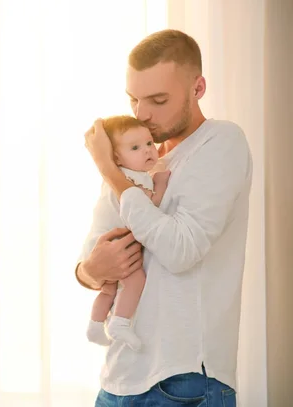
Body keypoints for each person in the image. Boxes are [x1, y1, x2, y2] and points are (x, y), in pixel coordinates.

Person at [76, 29, 252, 406]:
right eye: (134, 99)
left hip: (181, 380)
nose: (141, 114)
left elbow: (180, 251)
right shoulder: (137, 161)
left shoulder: (221, 143)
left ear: (198, 87)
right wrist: (93, 269)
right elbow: (88, 260)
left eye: (157, 100)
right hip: (118, 379)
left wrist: (109, 169)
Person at [84, 115, 171, 351]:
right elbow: (148, 207)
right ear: (116, 158)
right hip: (114, 244)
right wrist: (161, 183)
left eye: (149, 143)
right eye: (135, 147)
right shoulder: (129, 178)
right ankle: (119, 323)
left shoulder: (121, 177)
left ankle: (94, 326)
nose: (147, 151)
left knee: (108, 289)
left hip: (98, 244)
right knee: (136, 280)